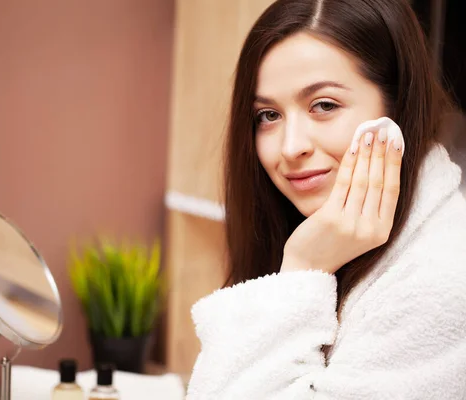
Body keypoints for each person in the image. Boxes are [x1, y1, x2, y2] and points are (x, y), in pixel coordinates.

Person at [185, 0, 466, 399]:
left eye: (324, 106)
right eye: (268, 115)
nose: (291, 146)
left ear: (397, 106)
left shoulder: (442, 278)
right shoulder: (321, 234)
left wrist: (303, 267)